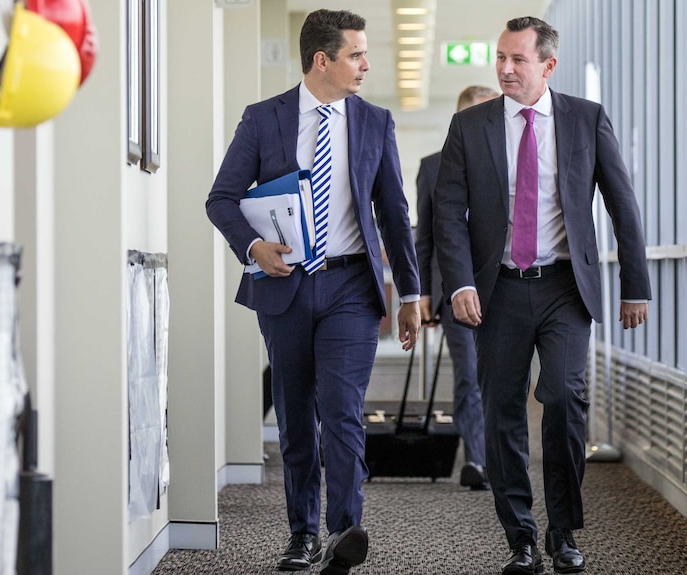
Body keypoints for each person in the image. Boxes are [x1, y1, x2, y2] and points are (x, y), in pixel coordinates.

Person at [433, 16, 651, 575]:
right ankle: (521, 538)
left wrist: (636, 287)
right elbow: (447, 214)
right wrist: (457, 281)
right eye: (500, 58)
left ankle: (563, 529)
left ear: (547, 65)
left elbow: (622, 206)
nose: (505, 68)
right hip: (497, 290)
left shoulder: (585, 119)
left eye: (518, 60)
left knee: (563, 397)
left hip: (563, 287)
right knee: (501, 409)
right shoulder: (471, 126)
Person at [206, 9, 420, 575]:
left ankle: (344, 529)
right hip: (286, 286)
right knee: (297, 416)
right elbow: (221, 198)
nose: (365, 65)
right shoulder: (263, 119)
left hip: (352, 283)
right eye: (356, 55)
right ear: (321, 60)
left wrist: (411, 293)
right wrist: (254, 248)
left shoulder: (373, 121)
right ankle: (301, 535)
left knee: (343, 410)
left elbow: (394, 214)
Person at [415, 85, 499, 491]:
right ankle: (477, 460)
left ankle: (500, 454)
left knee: (503, 375)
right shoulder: (432, 167)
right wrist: (424, 295)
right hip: (453, 289)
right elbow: (425, 235)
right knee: (469, 372)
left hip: (506, 286)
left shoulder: (515, 162)